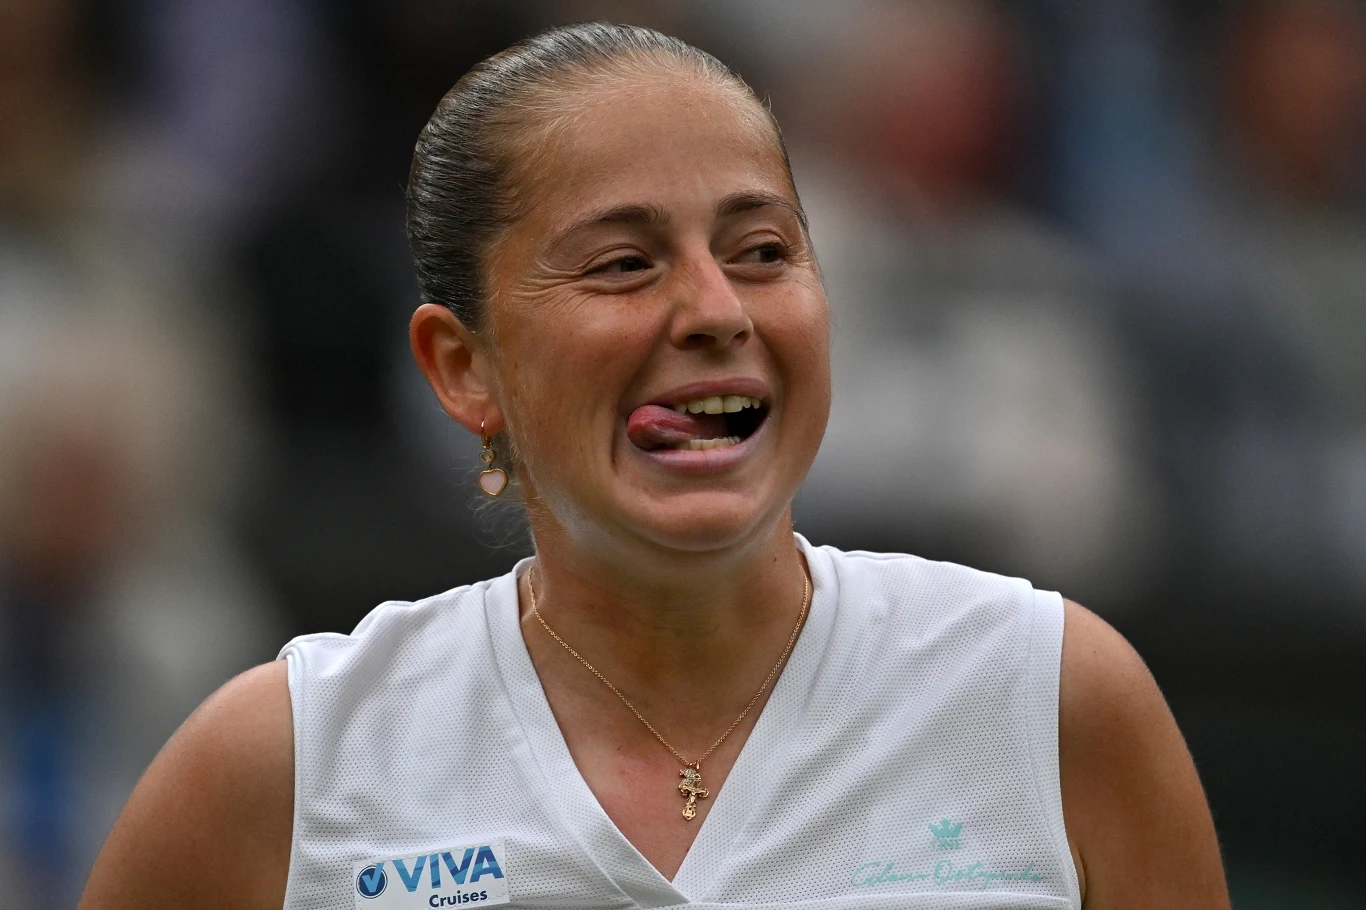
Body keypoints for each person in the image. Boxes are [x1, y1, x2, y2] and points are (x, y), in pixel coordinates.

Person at [78, 23, 1229, 909]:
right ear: (463, 367)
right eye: (623, 263)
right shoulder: (283, 763)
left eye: (762, 250)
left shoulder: (1053, 699)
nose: (716, 308)